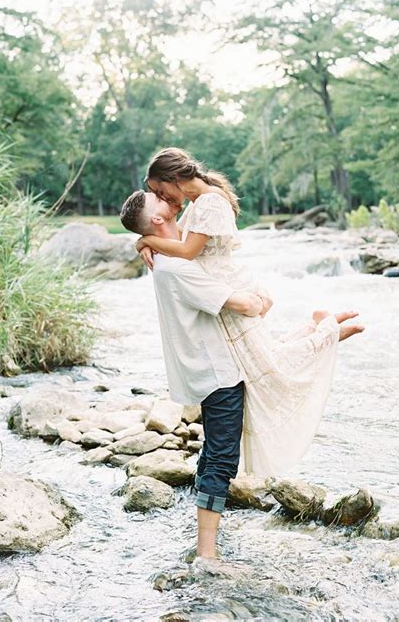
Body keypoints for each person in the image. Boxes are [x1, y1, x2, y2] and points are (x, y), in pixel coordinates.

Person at [133, 147, 365, 477]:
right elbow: (181, 239)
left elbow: (185, 250)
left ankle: (329, 333)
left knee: (270, 370)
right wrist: (142, 241)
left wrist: (147, 242)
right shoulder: (200, 203)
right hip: (220, 296)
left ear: (173, 179)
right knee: (263, 363)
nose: (163, 198)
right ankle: (325, 330)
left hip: (227, 295)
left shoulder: (210, 202)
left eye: (160, 190)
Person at [121, 191, 273, 559]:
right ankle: (207, 554)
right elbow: (246, 305)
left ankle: (204, 535)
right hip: (217, 369)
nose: (165, 196)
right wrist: (261, 300)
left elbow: (191, 229)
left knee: (212, 453)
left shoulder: (167, 252)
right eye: (156, 198)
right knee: (222, 458)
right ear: (158, 220)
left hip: (207, 366)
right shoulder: (177, 266)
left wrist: (144, 241)